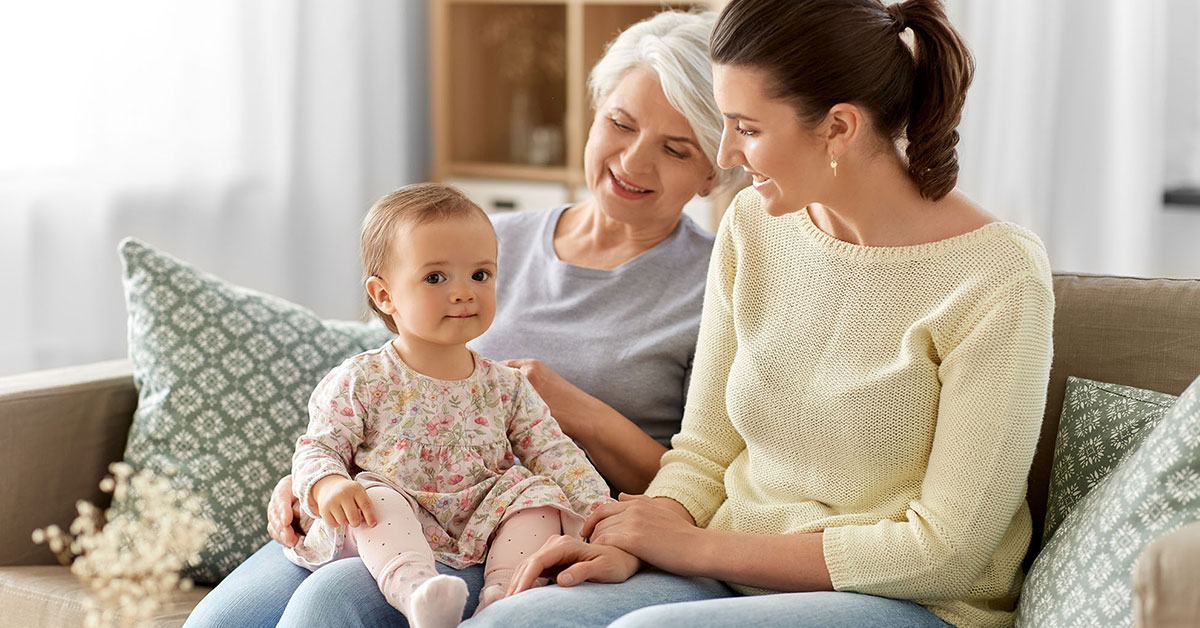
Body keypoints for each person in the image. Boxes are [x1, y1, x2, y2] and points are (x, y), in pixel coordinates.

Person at [470, 1, 1054, 627]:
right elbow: (703, 452)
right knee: (520, 619)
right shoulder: (753, 225)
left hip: (904, 601)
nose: (725, 153)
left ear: (838, 128)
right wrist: (637, 535)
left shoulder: (997, 276)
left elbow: (949, 552)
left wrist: (693, 546)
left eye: (746, 128)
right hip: (728, 575)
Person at [183, 10, 737, 628]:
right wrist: (314, 480)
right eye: (621, 124)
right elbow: (377, 381)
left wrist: (564, 403)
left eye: (675, 148)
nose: (633, 161)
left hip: (524, 522)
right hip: (393, 507)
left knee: (333, 602)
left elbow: (705, 476)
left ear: (714, 168)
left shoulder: (719, 282)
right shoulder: (485, 240)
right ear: (595, 111)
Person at [282, 183, 611, 627]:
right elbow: (317, 447)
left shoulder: (507, 386)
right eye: (436, 277)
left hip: (482, 518)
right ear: (384, 295)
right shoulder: (361, 379)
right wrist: (327, 486)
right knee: (377, 496)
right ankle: (418, 593)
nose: (464, 292)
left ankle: (503, 597)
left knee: (539, 498)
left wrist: (599, 512)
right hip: (394, 520)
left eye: (480, 275)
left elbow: (555, 453)